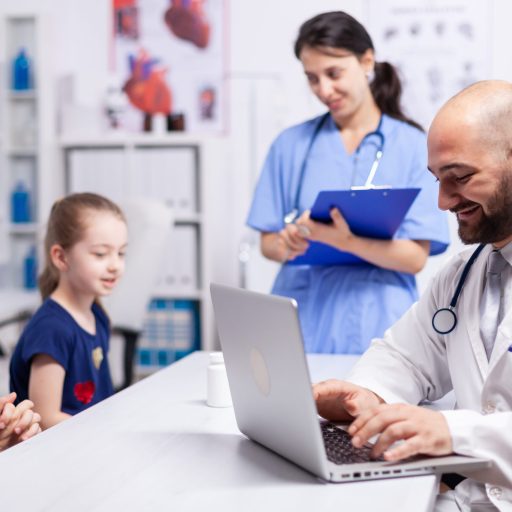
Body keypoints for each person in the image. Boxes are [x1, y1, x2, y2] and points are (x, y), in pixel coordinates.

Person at [313, 80, 512, 511]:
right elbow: (405, 356)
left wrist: (452, 432)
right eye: (438, 180)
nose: (442, 201)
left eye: (459, 177)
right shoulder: (462, 273)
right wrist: (366, 395)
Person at [246, 11, 449, 354]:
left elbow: (415, 257)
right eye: (312, 78)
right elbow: (269, 244)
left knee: (375, 404)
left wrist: (342, 240)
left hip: (380, 320)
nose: (323, 90)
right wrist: (288, 242)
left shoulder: (413, 145)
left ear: (366, 61)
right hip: (300, 318)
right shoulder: (290, 145)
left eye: (333, 73)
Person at [9, 193, 128, 430]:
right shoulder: (52, 329)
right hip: (60, 452)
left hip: (91, 442)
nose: (115, 264)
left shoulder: (97, 314)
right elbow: (44, 417)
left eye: (121, 253)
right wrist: (108, 429)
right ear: (61, 258)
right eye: (100, 254)